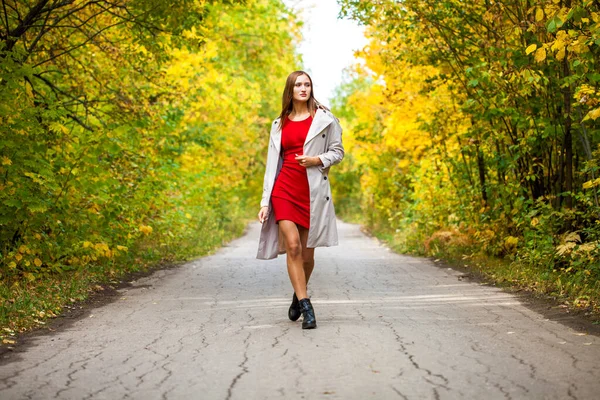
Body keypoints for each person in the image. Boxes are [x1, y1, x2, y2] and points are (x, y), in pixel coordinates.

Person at [256, 70, 344, 330]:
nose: (303, 89)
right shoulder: (279, 123)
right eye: (298, 85)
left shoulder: (325, 119)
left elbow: (338, 152)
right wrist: (264, 202)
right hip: (283, 189)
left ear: (311, 88)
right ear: (290, 90)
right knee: (292, 246)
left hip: (312, 193)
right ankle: (307, 306)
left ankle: (298, 293)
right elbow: (272, 165)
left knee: (306, 256)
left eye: (307, 84)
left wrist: (317, 160)